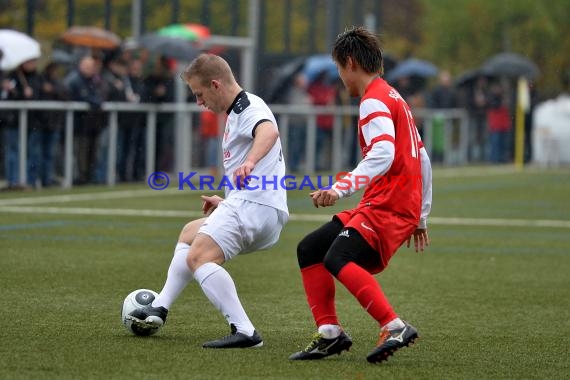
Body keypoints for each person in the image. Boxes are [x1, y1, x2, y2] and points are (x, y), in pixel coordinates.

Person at [288, 26, 432, 364]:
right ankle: (329, 334)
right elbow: (421, 157)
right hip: (390, 204)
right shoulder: (393, 96)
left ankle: (393, 325)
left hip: (387, 204)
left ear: (350, 62)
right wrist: (421, 215)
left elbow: (381, 153)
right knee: (310, 248)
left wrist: (339, 188)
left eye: (339, 69)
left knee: (337, 258)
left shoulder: (373, 101)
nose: (341, 78)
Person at [127, 53, 289, 348]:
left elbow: (269, 131)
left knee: (199, 257)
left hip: (257, 207)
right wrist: (226, 200)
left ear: (215, 85)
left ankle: (245, 331)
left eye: (199, 94)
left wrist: (250, 161)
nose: (199, 102)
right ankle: (160, 306)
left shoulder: (247, 106)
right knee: (190, 233)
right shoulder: (236, 111)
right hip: (254, 204)